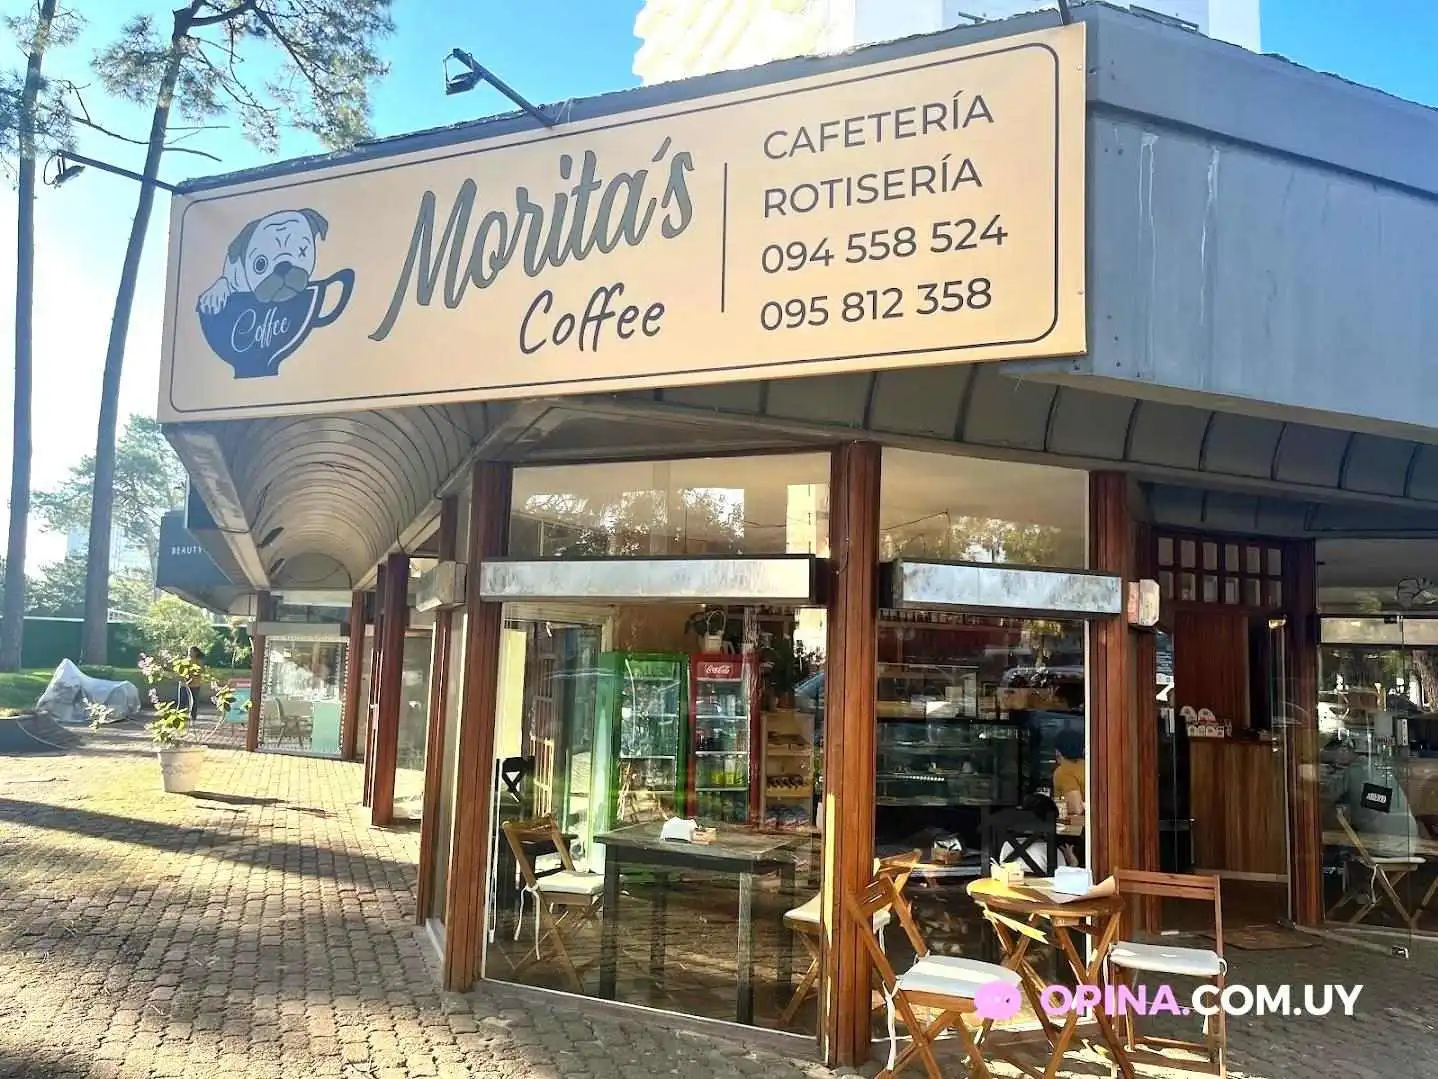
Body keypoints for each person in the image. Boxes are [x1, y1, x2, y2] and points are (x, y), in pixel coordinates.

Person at [998, 793, 1073, 874]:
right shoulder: (1053, 853)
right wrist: (1072, 862)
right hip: (1045, 882)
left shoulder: (1006, 846)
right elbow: (1064, 877)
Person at [1052, 728, 1086, 819]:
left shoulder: (1063, 772)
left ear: (1058, 751)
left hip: (1076, 824)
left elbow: (1076, 809)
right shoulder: (1089, 766)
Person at [185, 645, 206, 725]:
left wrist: (196, 672)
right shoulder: (186, 661)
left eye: (191, 651)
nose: (189, 653)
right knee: (186, 700)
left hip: (196, 684)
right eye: (189, 651)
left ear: (195, 652)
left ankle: (193, 717)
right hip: (187, 683)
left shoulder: (198, 661)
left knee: (194, 701)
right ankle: (186, 716)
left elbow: (202, 670)